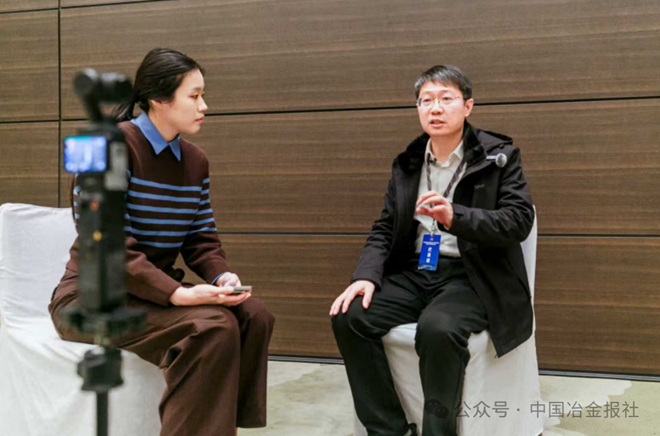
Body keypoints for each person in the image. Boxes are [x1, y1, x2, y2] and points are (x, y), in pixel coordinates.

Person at [49, 48, 275, 436]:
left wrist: (222, 278)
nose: (204, 106)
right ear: (158, 99)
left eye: (203, 95)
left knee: (254, 315)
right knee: (211, 328)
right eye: (194, 95)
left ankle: (217, 428)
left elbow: (201, 239)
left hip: (148, 294)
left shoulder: (195, 161)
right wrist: (177, 294)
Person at [330, 65, 535, 436]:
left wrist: (455, 216)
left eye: (446, 98)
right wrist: (365, 276)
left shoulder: (498, 156)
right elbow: (384, 226)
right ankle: (390, 430)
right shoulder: (408, 163)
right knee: (350, 316)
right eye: (426, 101)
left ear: (468, 106)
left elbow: (518, 220)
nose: (435, 108)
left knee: (437, 328)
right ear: (418, 108)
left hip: (473, 277)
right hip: (416, 272)